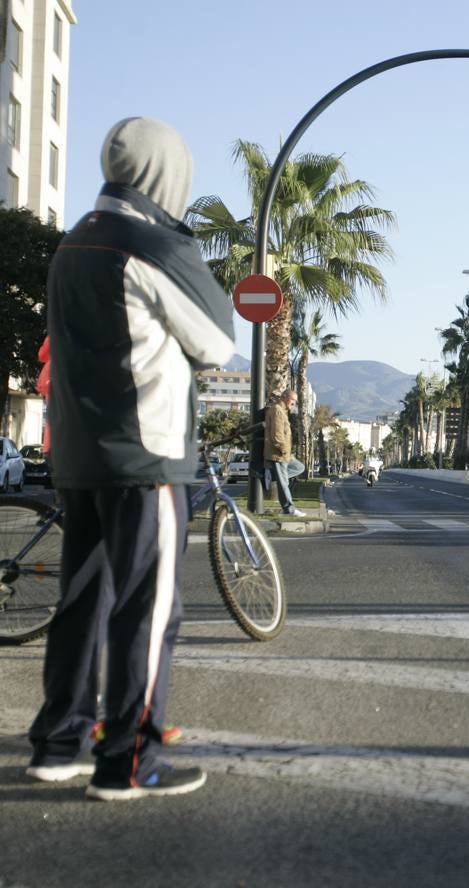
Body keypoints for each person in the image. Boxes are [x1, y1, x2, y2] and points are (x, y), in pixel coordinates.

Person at [28, 117, 234, 800]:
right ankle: (128, 761)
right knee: (148, 610)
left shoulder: (73, 242)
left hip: (79, 452)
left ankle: (58, 744)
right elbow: (217, 343)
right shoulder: (153, 245)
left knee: (81, 600)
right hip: (147, 456)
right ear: (167, 175)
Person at [264, 389, 307, 516]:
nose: (293, 403)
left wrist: (288, 453)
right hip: (278, 454)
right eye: (292, 400)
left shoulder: (283, 411)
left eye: (295, 401)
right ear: (284, 397)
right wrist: (284, 451)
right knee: (283, 482)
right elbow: (277, 436)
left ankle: (271, 476)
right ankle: (289, 509)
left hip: (285, 454)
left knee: (299, 467)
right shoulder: (277, 410)